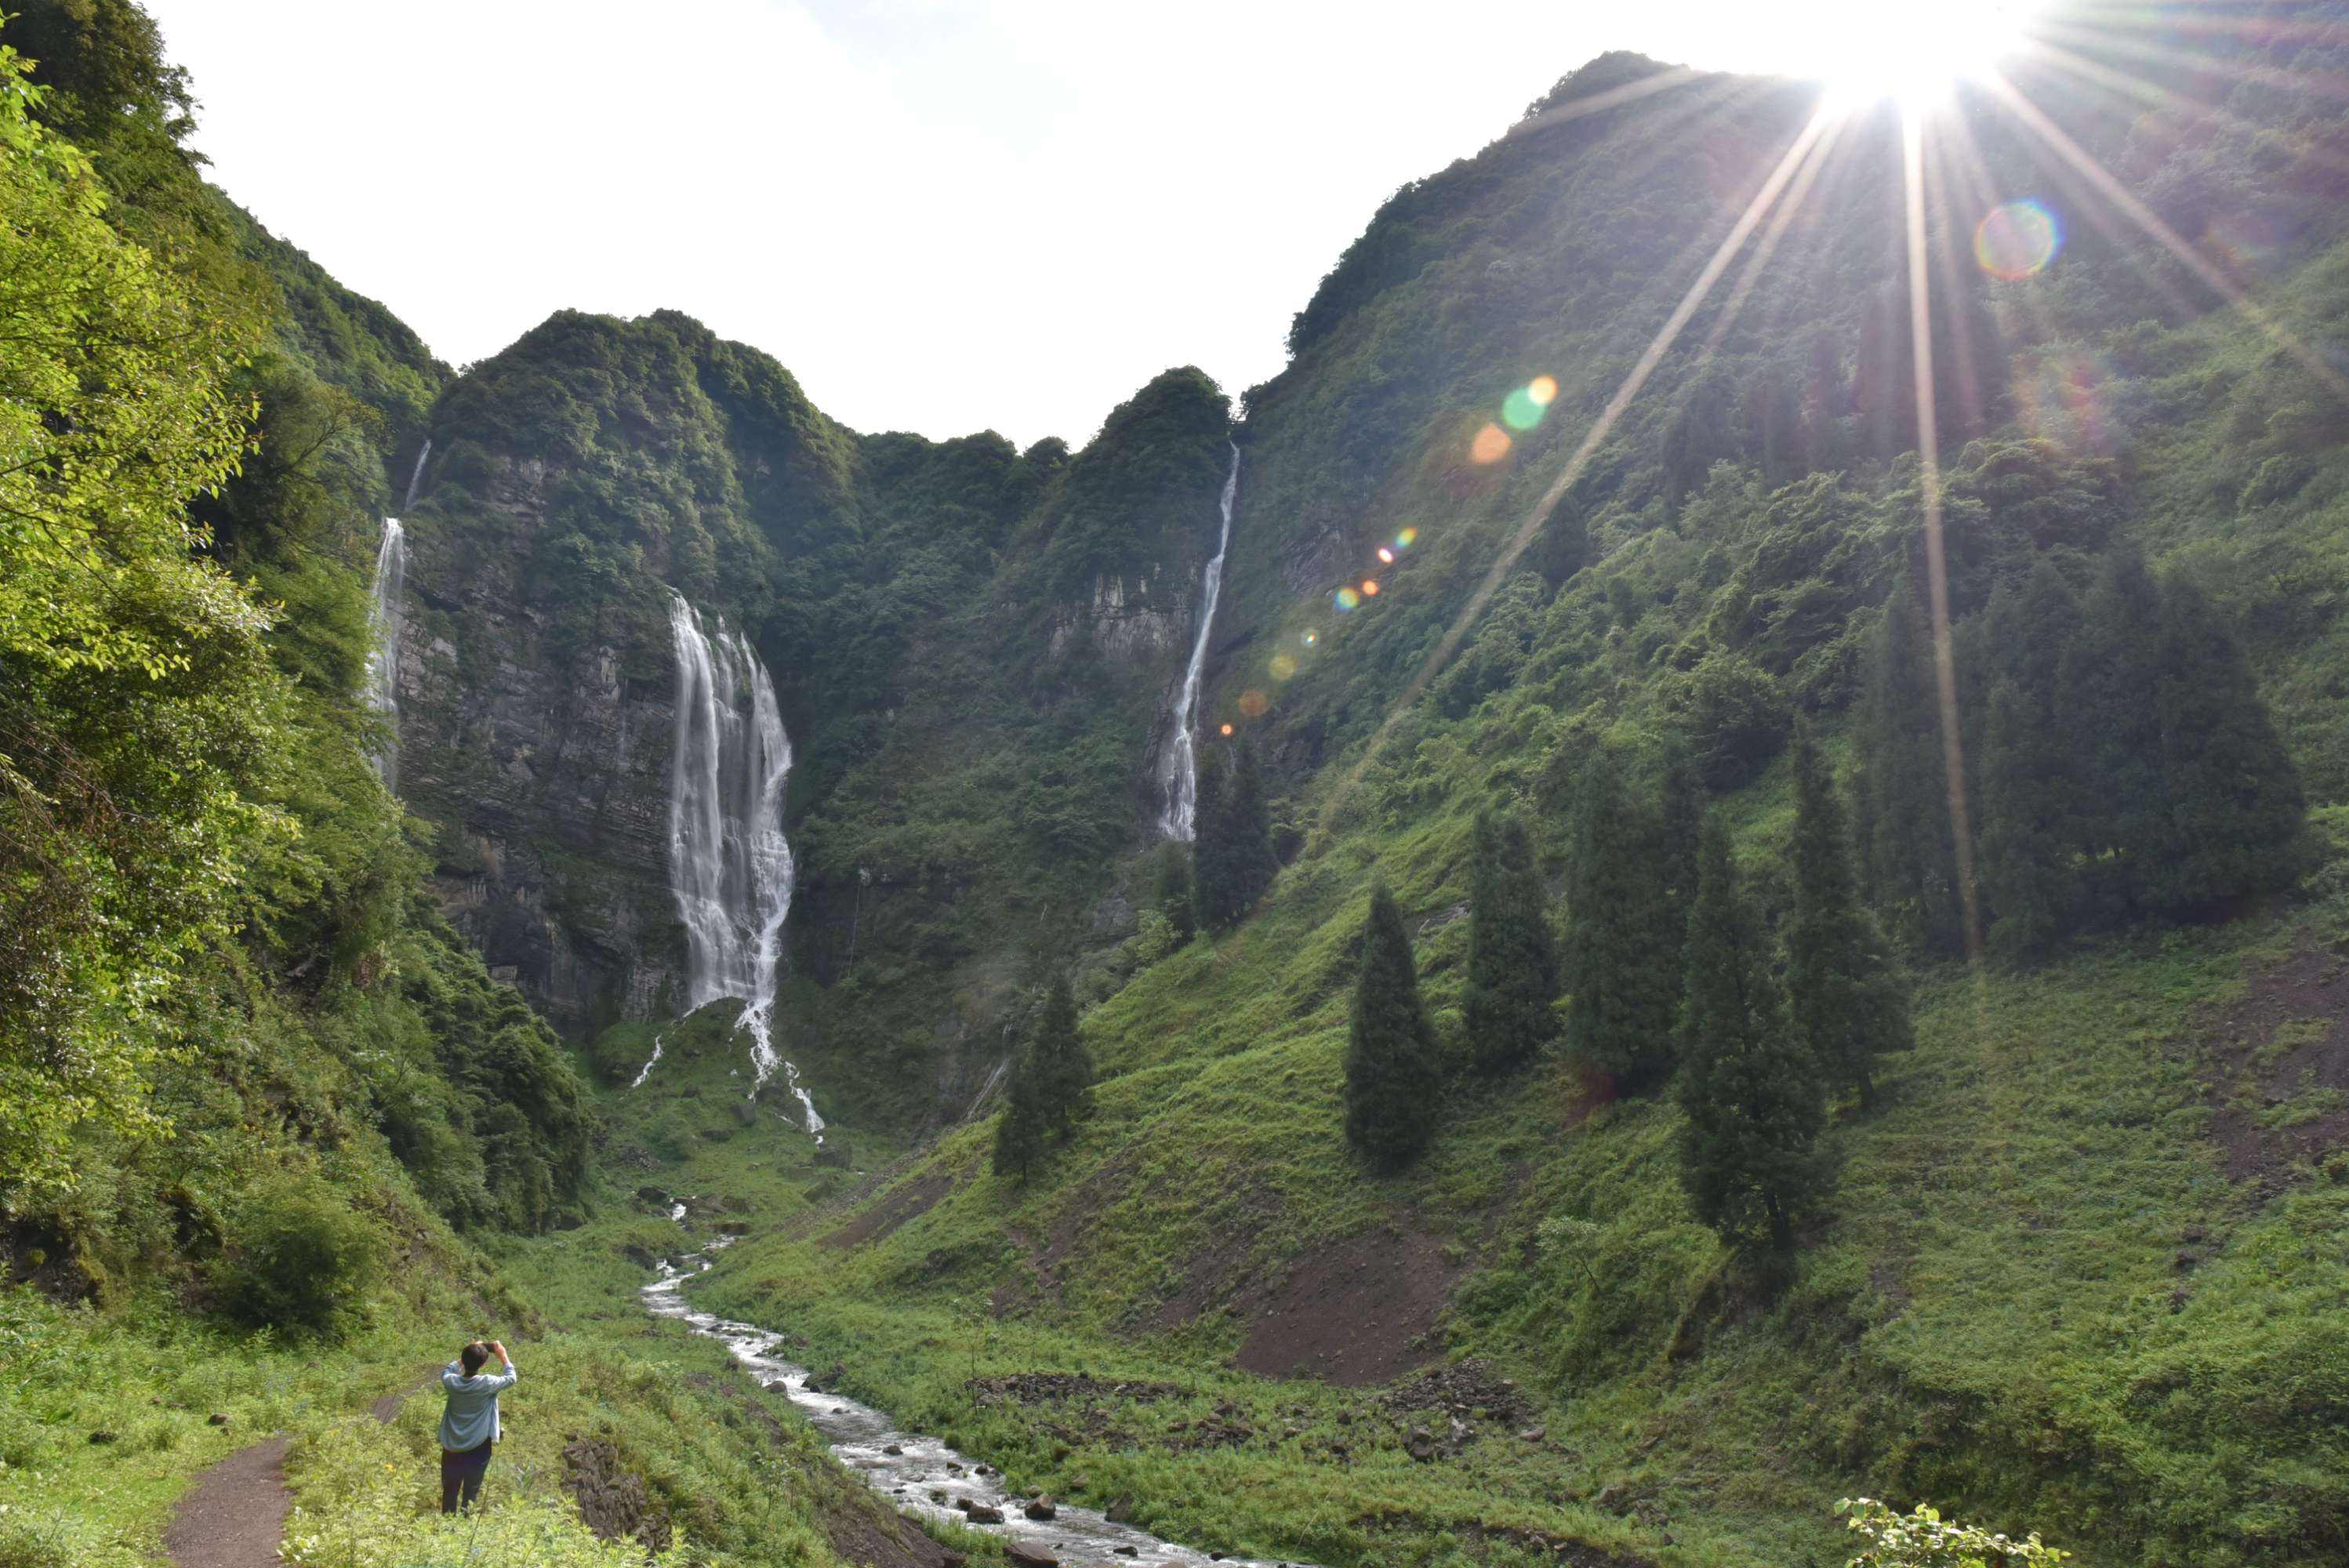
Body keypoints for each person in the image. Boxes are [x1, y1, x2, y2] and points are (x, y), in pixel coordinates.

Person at [438, 1338, 515, 1514]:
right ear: (484, 1363)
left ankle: (446, 1527)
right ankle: (465, 1529)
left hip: (452, 1446)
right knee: (471, 1493)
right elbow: (511, 1378)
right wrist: (503, 1355)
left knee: (449, 1491)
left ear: (463, 1361)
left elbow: (448, 1370)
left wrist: (470, 1351)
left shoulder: (451, 1382)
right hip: (478, 1446)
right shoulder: (486, 1383)